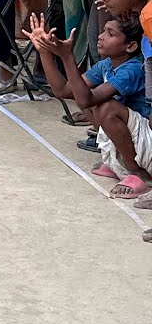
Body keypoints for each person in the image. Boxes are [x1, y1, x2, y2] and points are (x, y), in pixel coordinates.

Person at [28, 10, 150, 197]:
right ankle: (120, 161)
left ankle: (137, 172)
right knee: (86, 96)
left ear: (131, 46)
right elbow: (63, 91)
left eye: (110, 34)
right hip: (134, 135)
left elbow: (86, 99)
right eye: (103, 31)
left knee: (105, 106)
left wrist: (67, 57)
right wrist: (45, 53)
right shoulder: (107, 64)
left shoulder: (133, 68)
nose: (100, 37)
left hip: (147, 139)